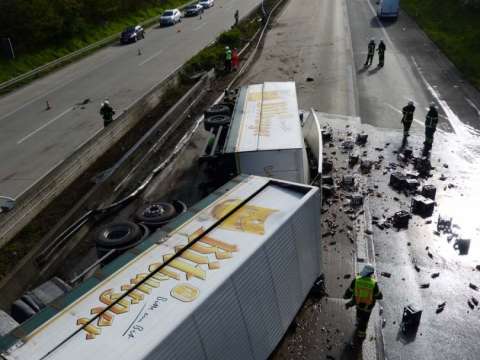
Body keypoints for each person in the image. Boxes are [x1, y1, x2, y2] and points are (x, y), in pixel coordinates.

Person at [343, 264, 383, 340]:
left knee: (359, 313)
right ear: (371, 273)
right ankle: (361, 335)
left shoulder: (356, 280)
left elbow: (349, 291)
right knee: (365, 320)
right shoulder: (373, 283)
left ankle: (358, 322)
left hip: (358, 303)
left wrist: (345, 296)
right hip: (368, 306)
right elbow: (379, 296)